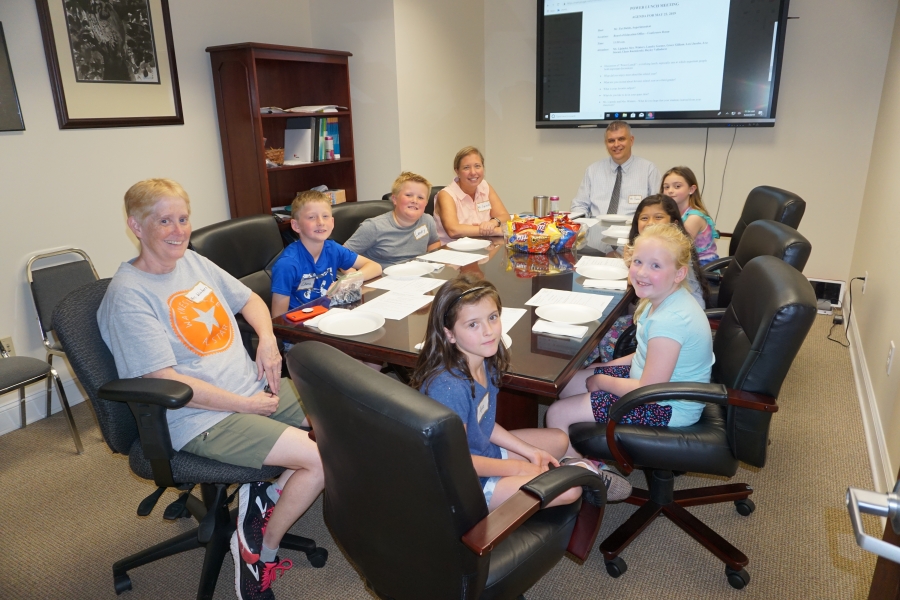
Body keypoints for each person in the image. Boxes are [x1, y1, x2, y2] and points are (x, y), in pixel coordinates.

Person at [97, 179, 323, 600]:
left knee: (343, 425)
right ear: (136, 225)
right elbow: (167, 381)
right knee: (319, 458)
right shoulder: (129, 296)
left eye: (182, 219)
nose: (178, 230)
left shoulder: (193, 262)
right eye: (164, 220)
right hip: (201, 417)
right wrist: (246, 405)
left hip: (254, 387)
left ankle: (264, 497)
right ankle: (257, 551)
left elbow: (249, 301)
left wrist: (269, 344)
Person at [410, 274, 632, 508]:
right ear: (449, 334)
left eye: (492, 317)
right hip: (468, 481)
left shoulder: (482, 359)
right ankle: (579, 473)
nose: (488, 331)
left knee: (558, 439)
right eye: (473, 324)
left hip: (486, 453)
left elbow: (482, 422)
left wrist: (530, 452)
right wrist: (517, 467)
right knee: (571, 491)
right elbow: (457, 463)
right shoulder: (449, 388)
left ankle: (574, 470)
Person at [547, 223, 715, 458]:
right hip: (654, 387)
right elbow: (646, 354)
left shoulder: (671, 320)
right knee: (569, 383)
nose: (642, 272)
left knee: (557, 413)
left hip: (665, 407)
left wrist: (602, 381)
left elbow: (648, 389)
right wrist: (607, 367)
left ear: (679, 273)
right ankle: (588, 456)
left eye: (655, 265)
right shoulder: (660, 299)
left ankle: (579, 474)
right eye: (638, 262)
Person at [585, 195, 711, 365]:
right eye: (644, 218)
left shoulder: (674, 253)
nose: (650, 222)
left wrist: (631, 264)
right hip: (655, 314)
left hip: (674, 327)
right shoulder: (652, 250)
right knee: (597, 328)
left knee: (602, 330)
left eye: (658, 217)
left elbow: (634, 280)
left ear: (674, 222)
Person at [271, 190, 381, 316]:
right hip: (302, 326)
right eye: (311, 217)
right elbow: (278, 320)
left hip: (329, 316)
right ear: (296, 225)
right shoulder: (287, 264)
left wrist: (348, 280)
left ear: (332, 222)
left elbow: (375, 267)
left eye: (325, 216)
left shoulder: (332, 249)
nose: (320, 222)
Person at [344, 172, 442, 268]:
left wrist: (430, 262)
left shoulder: (427, 220)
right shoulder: (373, 227)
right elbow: (342, 255)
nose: (414, 201)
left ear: (425, 203)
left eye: (420, 197)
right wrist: (354, 278)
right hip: (382, 278)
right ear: (394, 199)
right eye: (408, 195)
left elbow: (434, 242)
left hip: (417, 274)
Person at [570, 121, 661, 218]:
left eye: (621, 139)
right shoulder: (592, 171)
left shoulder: (649, 170)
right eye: (611, 141)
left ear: (631, 140)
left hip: (633, 230)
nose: (616, 145)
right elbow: (579, 205)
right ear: (606, 143)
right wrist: (584, 223)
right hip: (597, 228)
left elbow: (658, 207)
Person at [434, 147, 511, 244]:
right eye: (466, 167)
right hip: (452, 251)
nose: (473, 172)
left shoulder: (484, 186)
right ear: (457, 171)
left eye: (477, 166)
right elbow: (453, 230)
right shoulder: (446, 195)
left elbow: (505, 216)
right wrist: (494, 231)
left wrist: (493, 222)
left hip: (482, 247)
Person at [661, 166, 720, 266]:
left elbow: (678, 249)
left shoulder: (694, 217)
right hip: (683, 266)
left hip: (701, 272)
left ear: (691, 189)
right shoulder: (671, 214)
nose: (670, 191)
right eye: (666, 187)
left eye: (677, 186)